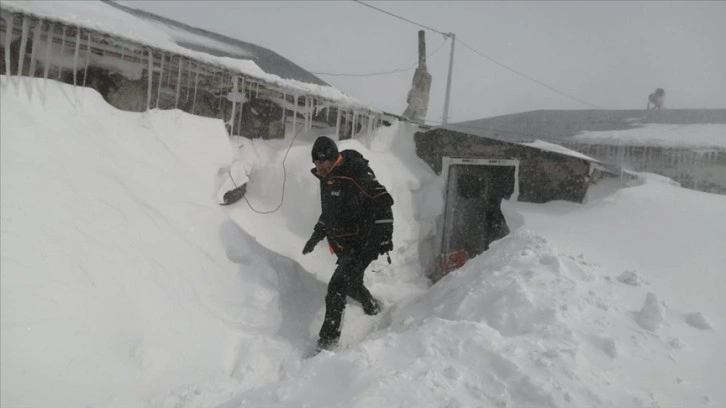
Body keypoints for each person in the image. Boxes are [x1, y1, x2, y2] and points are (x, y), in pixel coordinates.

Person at [302, 136, 394, 353]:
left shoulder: (355, 174)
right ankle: (372, 307)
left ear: (334, 157)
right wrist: (317, 235)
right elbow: (330, 213)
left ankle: (327, 341)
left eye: (323, 161)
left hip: (365, 241)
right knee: (351, 282)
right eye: (316, 162)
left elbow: (383, 200)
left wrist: (384, 235)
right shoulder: (327, 178)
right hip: (345, 243)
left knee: (336, 288)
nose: (319, 166)